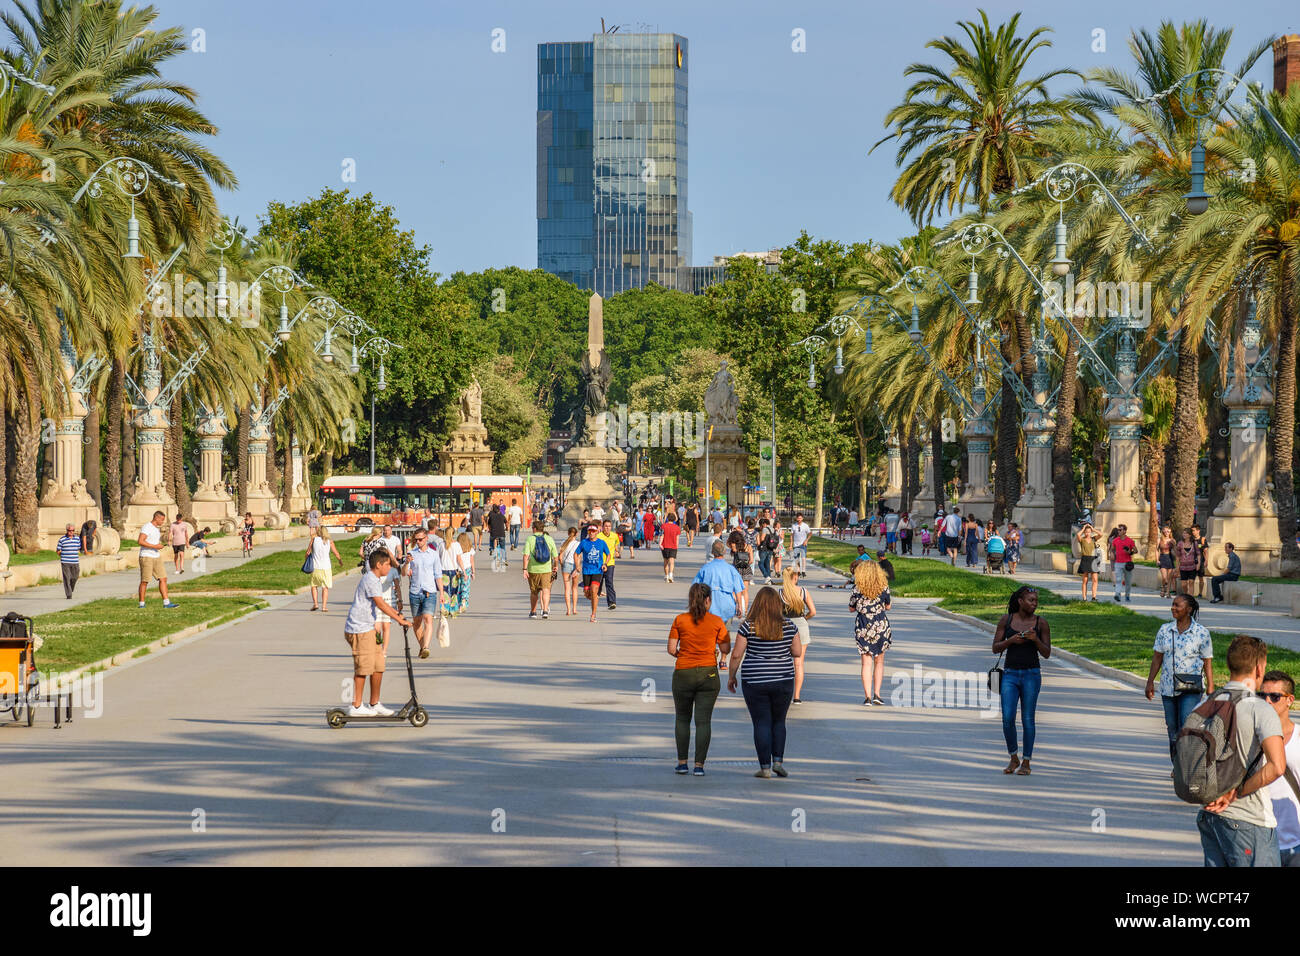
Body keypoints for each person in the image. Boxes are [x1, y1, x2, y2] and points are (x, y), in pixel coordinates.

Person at [1195, 635, 1286, 867]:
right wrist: (1235, 792)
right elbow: (1277, 766)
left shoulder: (1205, 704)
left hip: (1209, 816)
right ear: (1259, 668)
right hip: (1249, 820)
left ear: (1229, 665)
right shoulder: (1260, 709)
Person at [728, 586, 801, 778]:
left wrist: (731, 676)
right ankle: (778, 761)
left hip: (755, 680)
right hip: (783, 679)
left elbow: (736, 655)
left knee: (761, 722)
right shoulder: (789, 626)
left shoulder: (748, 626)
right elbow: (797, 652)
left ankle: (765, 768)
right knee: (779, 721)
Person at [342, 549, 413, 717]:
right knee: (363, 668)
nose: (390, 567)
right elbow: (381, 604)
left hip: (370, 628)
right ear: (379, 565)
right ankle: (356, 706)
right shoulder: (371, 580)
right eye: (388, 564)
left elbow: (382, 605)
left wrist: (398, 615)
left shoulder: (375, 579)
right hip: (359, 629)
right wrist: (399, 619)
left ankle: (374, 703)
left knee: (378, 666)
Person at [668, 583, 731, 776]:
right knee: (703, 721)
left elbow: (671, 649)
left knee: (682, 718)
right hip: (708, 674)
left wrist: (684, 655)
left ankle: (682, 763)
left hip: (683, 673)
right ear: (708, 600)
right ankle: (699, 766)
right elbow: (726, 648)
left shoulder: (680, 620)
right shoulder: (716, 621)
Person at [1145, 594, 1214, 761]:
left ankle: (1185, 763)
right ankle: (1176, 764)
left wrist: (1211, 686)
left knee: (1186, 724)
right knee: (1172, 728)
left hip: (1191, 687)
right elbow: (1157, 658)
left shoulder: (1201, 633)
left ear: (1189, 609)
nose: (1173, 608)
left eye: (1178, 605)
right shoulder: (1165, 630)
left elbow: (1207, 661)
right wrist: (1150, 683)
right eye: (1172, 605)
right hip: (1168, 687)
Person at [992, 586, 1051, 775]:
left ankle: (1026, 761)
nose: (1034, 604)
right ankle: (1013, 757)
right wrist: (1011, 641)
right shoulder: (1006, 620)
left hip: (1031, 675)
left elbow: (1047, 653)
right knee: (1007, 718)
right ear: (1020, 601)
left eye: (1036, 601)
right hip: (1010, 674)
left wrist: (1035, 640)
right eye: (1030, 600)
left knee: (1028, 719)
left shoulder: (1041, 623)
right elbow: (995, 647)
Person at [1258, 671, 1300, 866]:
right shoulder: (1252, 737)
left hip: (1297, 843)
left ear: (1289, 700)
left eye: (1274, 697)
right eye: (1262, 696)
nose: (1267, 701)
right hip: (1261, 841)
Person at [694, 539, 748, 672]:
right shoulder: (731, 569)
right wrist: (740, 607)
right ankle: (723, 660)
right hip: (727, 607)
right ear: (724, 552)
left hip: (710, 606)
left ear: (712, 552)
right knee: (725, 633)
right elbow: (739, 590)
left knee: (710, 633)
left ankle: (712, 655)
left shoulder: (705, 568)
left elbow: (695, 587)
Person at [849, 559, 892, 706]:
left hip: (863, 625)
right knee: (879, 661)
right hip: (880, 625)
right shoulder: (883, 587)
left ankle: (867, 696)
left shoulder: (857, 588)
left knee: (866, 662)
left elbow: (851, 608)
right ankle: (877, 694)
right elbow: (888, 606)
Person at [403, 527, 443, 656]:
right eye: (416, 540)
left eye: (420, 539)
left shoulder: (434, 554)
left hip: (429, 591)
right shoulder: (412, 554)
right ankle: (422, 647)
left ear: (426, 538)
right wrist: (406, 564)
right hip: (415, 592)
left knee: (428, 619)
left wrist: (441, 592)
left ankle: (426, 646)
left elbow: (438, 575)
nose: (418, 541)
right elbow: (404, 573)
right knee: (417, 623)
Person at [782, 568, 816, 704]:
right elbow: (813, 611)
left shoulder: (780, 593)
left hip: (785, 626)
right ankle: (796, 696)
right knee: (799, 663)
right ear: (795, 577)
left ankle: (784, 692)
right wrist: (804, 618)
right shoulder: (803, 591)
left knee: (783, 661)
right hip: (801, 626)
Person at [137, 511, 178, 609]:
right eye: (162, 520)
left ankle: (166, 603)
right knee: (145, 581)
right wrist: (155, 546)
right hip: (146, 556)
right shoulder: (147, 527)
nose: (162, 522)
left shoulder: (156, 529)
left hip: (156, 556)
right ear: (157, 518)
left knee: (163, 578)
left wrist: (159, 546)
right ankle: (141, 604)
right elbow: (140, 541)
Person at [524, 519, 558, 620]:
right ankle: (545, 610)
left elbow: (526, 555)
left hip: (533, 569)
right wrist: (555, 566)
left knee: (534, 592)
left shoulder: (530, 539)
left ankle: (533, 612)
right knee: (546, 590)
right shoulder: (549, 539)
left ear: (534, 529)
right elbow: (555, 557)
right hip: (547, 569)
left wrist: (524, 569)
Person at [577, 524, 611, 623]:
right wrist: (577, 565)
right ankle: (594, 597)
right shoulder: (584, 542)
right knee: (588, 593)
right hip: (586, 571)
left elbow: (608, 554)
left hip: (598, 570)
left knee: (594, 589)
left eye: (593, 531)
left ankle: (593, 614)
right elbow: (576, 554)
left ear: (597, 532)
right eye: (590, 531)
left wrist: (605, 564)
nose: (591, 533)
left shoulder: (601, 543)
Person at [307, 525, 342, 613]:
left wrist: (306, 560)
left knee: (314, 585)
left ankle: (315, 604)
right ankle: (324, 607)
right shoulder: (329, 541)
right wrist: (340, 560)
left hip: (315, 567)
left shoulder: (314, 540)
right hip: (326, 567)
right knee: (325, 587)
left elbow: (307, 552)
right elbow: (336, 553)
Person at [598, 518, 621, 609]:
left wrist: (617, 551)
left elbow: (616, 545)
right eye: (606, 526)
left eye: (609, 526)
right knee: (599, 582)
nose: (607, 528)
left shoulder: (614, 536)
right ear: (602, 527)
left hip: (610, 562)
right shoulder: (599, 536)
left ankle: (612, 602)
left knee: (609, 582)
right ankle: (595, 595)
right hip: (599, 563)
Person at [558, 527, 581, 616]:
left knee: (567, 589)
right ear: (576, 534)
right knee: (574, 588)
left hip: (566, 565)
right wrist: (578, 567)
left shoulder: (563, 543)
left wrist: (562, 564)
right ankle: (574, 609)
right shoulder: (578, 544)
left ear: (568, 533)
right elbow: (579, 557)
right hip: (575, 565)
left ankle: (568, 610)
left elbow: (560, 557)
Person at [1112, 524, 1137, 602]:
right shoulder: (1115, 540)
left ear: (1125, 531)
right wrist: (1112, 554)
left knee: (1128, 581)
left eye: (1120, 530)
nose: (1118, 531)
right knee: (1118, 580)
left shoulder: (1130, 540)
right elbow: (1112, 549)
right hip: (1118, 563)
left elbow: (1136, 551)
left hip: (1127, 564)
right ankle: (1117, 594)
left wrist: (1129, 551)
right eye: (1118, 530)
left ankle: (1127, 595)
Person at [1076, 522, 1101, 601]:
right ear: (1084, 532)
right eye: (1086, 532)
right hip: (1085, 559)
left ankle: (1094, 597)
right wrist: (1083, 528)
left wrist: (1093, 529)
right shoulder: (1082, 540)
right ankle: (1084, 598)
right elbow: (1078, 535)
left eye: (1089, 532)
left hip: (1093, 559)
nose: (1088, 533)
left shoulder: (1094, 539)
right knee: (1085, 580)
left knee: (1095, 579)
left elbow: (1101, 534)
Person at [57, 523, 82, 599]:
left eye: (72, 530)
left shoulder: (77, 539)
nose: (71, 532)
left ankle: (70, 588)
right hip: (65, 562)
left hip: (75, 562)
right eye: (69, 530)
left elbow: (79, 548)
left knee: (75, 577)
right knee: (67, 578)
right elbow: (58, 550)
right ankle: (69, 594)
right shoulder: (62, 539)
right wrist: (63, 556)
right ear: (67, 530)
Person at [1176, 529, 1200, 597]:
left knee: (1191, 582)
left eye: (1186, 533)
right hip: (1183, 567)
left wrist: (1198, 564)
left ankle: (1191, 597)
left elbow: (1198, 554)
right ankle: (1186, 595)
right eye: (1183, 533)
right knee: (1184, 584)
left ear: (1189, 535)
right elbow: (1177, 556)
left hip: (1192, 566)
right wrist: (1177, 567)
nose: (1184, 535)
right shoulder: (1180, 543)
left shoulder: (1194, 543)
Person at [659, 510, 681, 583]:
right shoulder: (677, 527)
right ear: (674, 519)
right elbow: (677, 538)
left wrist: (660, 543)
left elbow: (662, 535)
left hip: (665, 545)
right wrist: (677, 546)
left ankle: (666, 576)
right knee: (672, 562)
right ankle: (671, 575)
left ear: (668, 519)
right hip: (673, 546)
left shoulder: (663, 526)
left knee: (666, 561)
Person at [1157, 526, 1177, 599]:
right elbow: (1157, 550)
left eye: (1168, 531)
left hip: (1170, 558)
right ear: (1163, 532)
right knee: (1164, 578)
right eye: (1165, 531)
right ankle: (1163, 588)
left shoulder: (1172, 540)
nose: (1166, 533)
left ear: (1170, 532)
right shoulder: (1160, 540)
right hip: (1162, 558)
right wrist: (1157, 560)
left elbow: (1175, 551)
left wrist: (1174, 545)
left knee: (1169, 578)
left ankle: (1168, 592)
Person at [486, 504, 508, 570]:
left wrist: (490, 530)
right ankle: (504, 560)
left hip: (493, 533)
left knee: (491, 539)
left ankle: (491, 548)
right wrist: (507, 528)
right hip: (501, 534)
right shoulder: (502, 515)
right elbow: (506, 523)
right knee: (503, 547)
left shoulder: (491, 516)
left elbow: (488, 524)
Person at [1190, 523, 1208, 599]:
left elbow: (1205, 551)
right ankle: (1191, 594)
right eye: (1192, 531)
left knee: (1201, 578)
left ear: (1198, 531)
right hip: (1191, 561)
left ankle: (1200, 593)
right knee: (1191, 579)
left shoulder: (1203, 539)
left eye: (1194, 530)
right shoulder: (1190, 539)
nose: (1192, 532)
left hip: (1201, 562)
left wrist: (1206, 561)